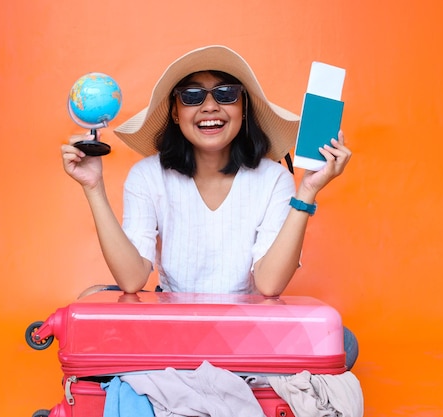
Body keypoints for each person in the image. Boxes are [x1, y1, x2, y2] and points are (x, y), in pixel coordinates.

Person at [61, 45, 357, 369]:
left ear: (243, 107)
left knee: (342, 342)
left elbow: (270, 285)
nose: (210, 106)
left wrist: (308, 191)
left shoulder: (273, 179)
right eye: (192, 96)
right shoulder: (148, 175)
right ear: (175, 112)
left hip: (245, 334)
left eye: (226, 93)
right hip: (171, 331)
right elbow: (132, 281)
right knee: (91, 307)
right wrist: (93, 188)